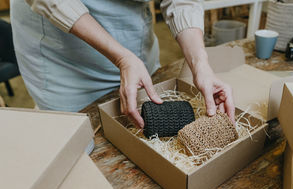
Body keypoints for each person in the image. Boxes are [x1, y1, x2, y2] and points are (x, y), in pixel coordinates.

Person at [10, 0, 235, 128]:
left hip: (131, 35)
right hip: (64, 50)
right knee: (76, 137)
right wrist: (121, 57)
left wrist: (200, 64)